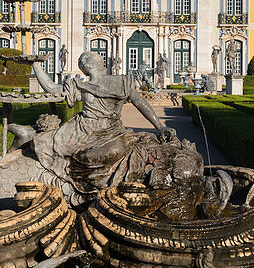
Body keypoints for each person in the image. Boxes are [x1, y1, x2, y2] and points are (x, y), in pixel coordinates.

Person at [29, 52, 194, 202]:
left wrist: (159, 126)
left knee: (94, 152)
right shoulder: (89, 85)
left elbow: (141, 103)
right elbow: (50, 88)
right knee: (53, 145)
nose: (84, 62)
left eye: (86, 60)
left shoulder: (110, 83)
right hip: (86, 130)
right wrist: (36, 64)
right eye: (82, 61)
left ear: (95, 65)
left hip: (105, 132)